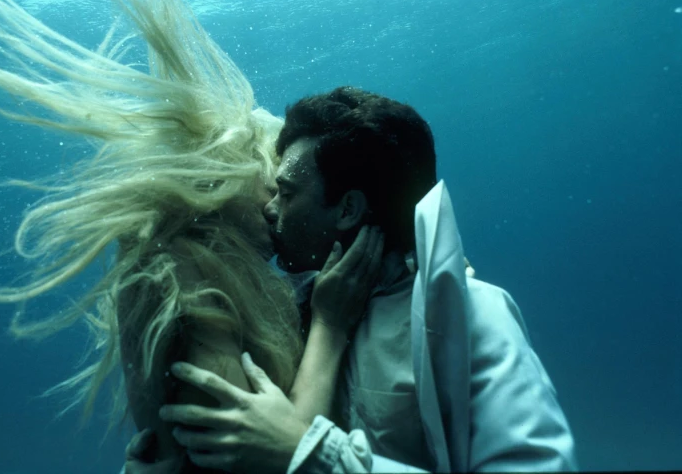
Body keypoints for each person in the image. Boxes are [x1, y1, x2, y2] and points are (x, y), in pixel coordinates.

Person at [0, 0, 384, 473]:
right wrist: (331, 329)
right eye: (273, 188)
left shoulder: (176, 268)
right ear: (221, 181)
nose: (276, 210)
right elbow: (266, 459)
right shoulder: (190, 281)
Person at [127, 87, 578, 473]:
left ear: (347, 209)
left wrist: (311, 456)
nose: (269, 208)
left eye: (286, 192)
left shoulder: (471, 313)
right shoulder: (300, 313)